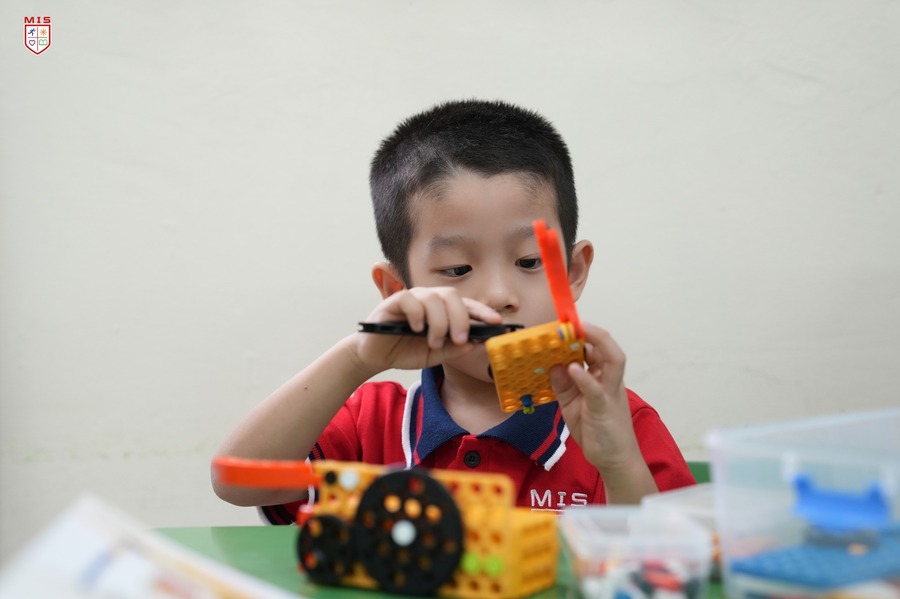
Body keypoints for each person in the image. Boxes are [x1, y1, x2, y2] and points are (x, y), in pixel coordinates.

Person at [212, 99, 694, 522]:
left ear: (573, 273)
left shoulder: (618, 422)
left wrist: (618, 463)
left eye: (529, 261)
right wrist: (356, 358)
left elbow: (670, 566)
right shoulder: (373, 423)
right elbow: (236, 481)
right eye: (458, 269)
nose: (499, 295)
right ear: (398, 290)